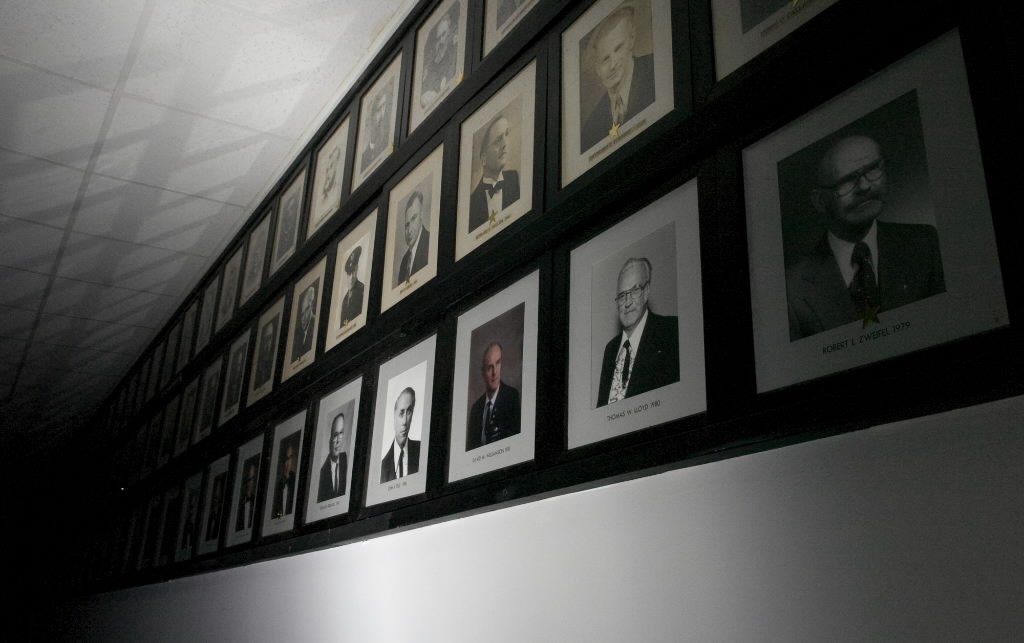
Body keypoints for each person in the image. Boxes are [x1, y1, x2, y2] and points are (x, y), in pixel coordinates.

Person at [785, 135, 945, 340]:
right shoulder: (792, 289)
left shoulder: (925, 244)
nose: (864, 186)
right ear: (820, 201)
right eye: (846, 180)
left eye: (872, 169)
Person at [597, 257, 679, 407]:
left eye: (634, 291)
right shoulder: (610, 350)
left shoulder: (672, 331)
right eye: (622, 296)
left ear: (646, 291)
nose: (627, 303)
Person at [580, 4, 656, 152]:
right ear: (597, 69)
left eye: (618, 48)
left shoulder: (657, 71)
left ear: (632, 39)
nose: (613, 64)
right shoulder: (590, 129)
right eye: (605, 59)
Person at [469, 115, 521, 232]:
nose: (505, 144)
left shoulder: (513, 178)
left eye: (506, 135)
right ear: (484, 158)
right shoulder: (472, 203)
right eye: (498, 141)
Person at [466, 343, 521, 451]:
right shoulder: (476, 408)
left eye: (498, 363)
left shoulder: (511, 397)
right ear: (483, 373)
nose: (495, 372)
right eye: (489, 367)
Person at [420, 4, 459, 109]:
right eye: (439, 37)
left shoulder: (456, 51)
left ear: (451, 31)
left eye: (444, 34)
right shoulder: (433, 63)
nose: (441, 41)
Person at [380, 387, 421, 482]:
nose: (405, 421)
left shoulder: (421, 450)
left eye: (409, 412)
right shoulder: (384, 465)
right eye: (401, 413)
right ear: (394, 415)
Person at [397, 191, 430, 284]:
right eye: (407, 225)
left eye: (413, 218)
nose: (409, 230)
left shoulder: (431, 243)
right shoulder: (404, 262)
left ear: (421, 215)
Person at [317, 412, 349, 501]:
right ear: (330, 439)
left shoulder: (345, 459)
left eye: (341, 433)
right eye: (335, 435)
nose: (338, 440)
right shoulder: (322, 473)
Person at [361, 84, 393, 172]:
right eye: (379, 110)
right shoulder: (363, 158)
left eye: (385, 107)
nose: (383, 115)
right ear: (369, 118)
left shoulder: (390, 142)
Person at [271, 439, 298, 518]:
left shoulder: (296, 482)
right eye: (285, 459)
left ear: (292, 460)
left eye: (289, 458)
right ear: (282, 462)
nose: (287, 463)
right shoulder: (278, 486)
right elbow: (278, 514)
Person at [339, 246, 365, 326]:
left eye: (353, 272)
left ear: (356, 269)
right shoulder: (344, 300)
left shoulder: (363, 290)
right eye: (348, 273)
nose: (351, 278)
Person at [292, 284, 317, 359]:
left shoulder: (315, 325)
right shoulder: (299, 334)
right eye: (302, 314)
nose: (302, 319)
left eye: (306, 311)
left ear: (311, 305)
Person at [235, 457, 259, 531]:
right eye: (248, 479)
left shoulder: (257, 502)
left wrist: (279, 516)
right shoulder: (239, 504)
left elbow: (279, 514)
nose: (249, 483)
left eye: (252, 479)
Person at [254, 319, 277, 387]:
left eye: (269, 338)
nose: (267, 343)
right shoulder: (258, 364)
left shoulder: (273, 361)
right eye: (265, 339)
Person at [204, 473, 226, 541]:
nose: (215, 501)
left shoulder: (221, 519)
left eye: (218, 498)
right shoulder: (207, 519)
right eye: (214, 498)